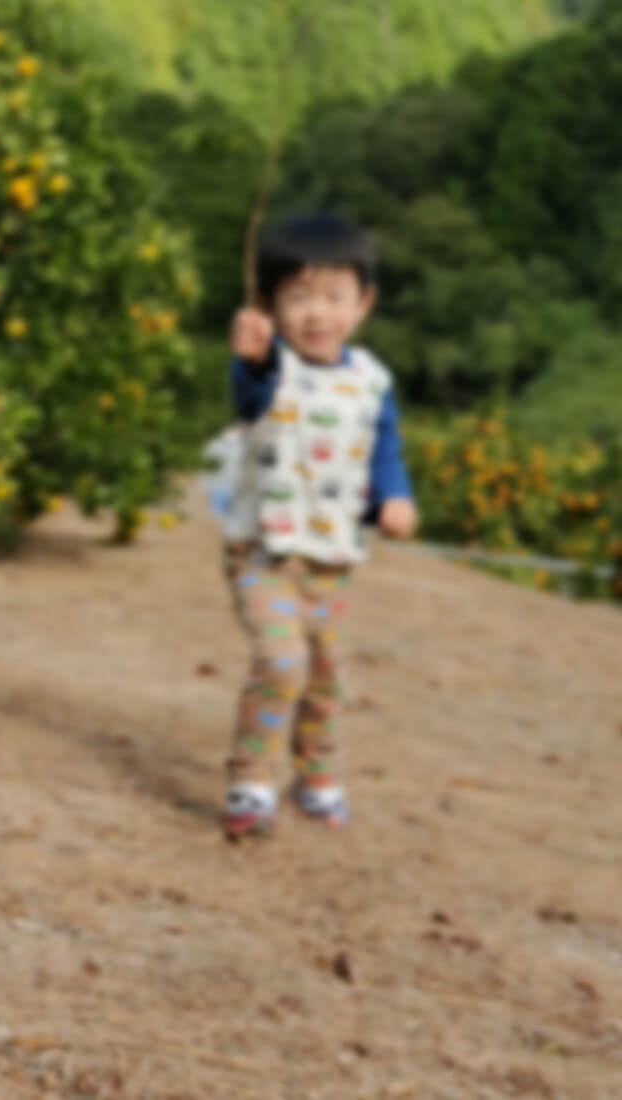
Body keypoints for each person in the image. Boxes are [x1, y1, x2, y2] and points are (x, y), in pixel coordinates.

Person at [218, 213, 418, 838]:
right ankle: (252, 784)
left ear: (363, 303)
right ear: (271, 304)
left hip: (332, 558)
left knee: (325, 675)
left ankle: (317, 775)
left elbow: (382, 449)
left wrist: (394, 498)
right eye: (297, 297)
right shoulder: (270, 364)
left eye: (334, 297)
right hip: (264, 551)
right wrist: (250, 360)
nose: (316, 314)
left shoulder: (372, 380)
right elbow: (250, 399)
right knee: (282, 661)